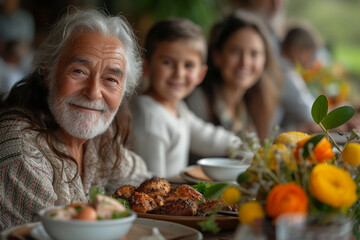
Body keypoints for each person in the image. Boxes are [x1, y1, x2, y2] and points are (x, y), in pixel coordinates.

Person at [0, 9, 152, 230]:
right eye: (79, 71)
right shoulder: (20, 150)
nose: (93, 92)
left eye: (110, 79)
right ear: (47, 71)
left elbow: (145, 184)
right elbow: (46, 234)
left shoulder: (102, 137)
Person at [129, 17, 242, 178]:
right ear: (146, 66)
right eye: (167, 63)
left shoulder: (177, 108)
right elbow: (151, 184)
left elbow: (208, 138)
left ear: (200, 74)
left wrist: (249, 148)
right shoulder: (149, 116)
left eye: (188, 65)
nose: (179, 74)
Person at [186, 10, 282, 141]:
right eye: (235, 52)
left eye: (254, 54)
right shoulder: (198, 101)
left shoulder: (260, 103)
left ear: (265, 60)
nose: (245, 62)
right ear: (217, 56)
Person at [0, 0, 35, 99]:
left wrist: (18, 51)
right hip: (3, 56)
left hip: (22, 53)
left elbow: (28, 43)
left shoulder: (26, 17)